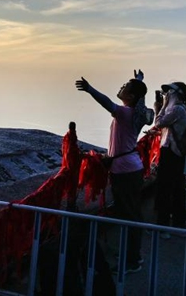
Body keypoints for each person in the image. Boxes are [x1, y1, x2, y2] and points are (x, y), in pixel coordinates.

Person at [75, 71, 151, 274]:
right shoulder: (134, 112)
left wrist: (90, 89)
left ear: (132, 96)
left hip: (125, 172)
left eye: (126, 85)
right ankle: (131, 254)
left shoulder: (126, 113)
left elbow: (106, 103)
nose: (122, 87)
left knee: (130, 215)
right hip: (128, 168)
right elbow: (135, 98)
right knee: (129, 212)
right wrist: (139, 81)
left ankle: (132, 260)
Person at [151, 82, 186, 233]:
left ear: (177, 93)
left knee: (165, 189)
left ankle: (163, 224)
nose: (166, 94)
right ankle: (178, 222)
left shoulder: (176, 108)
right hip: (175, 153)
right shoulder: (182, 108)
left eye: (169, 92)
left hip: (171, 153)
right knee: (176, 188)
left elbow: (159, 122)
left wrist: (159, 107)